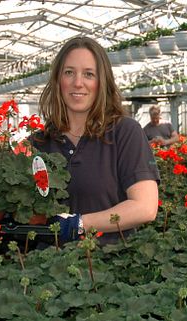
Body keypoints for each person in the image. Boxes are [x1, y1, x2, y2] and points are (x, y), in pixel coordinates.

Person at [30, 36, 160, 243]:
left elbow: (145, 207)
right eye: (69, 72)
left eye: (89, 74)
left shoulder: (125, 132)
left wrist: (79, 224)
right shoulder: (38, 142)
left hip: (108, 264)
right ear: (57, 80)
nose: (78, 83)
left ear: (102, 82)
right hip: (46, 265)